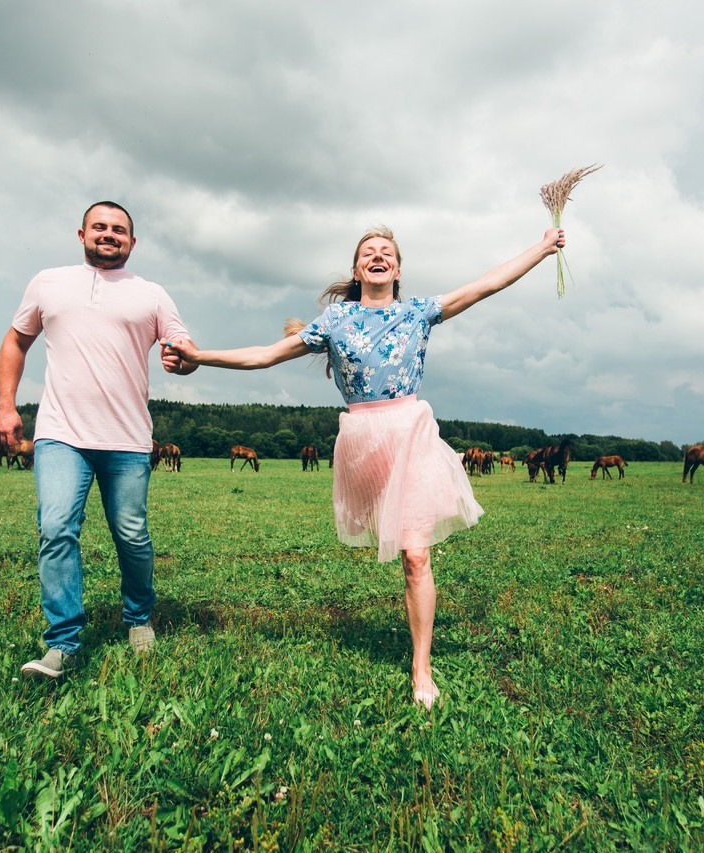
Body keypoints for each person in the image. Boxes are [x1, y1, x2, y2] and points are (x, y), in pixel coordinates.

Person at [163, 223, 565, 707]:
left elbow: (486, 284)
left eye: (386, 252)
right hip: (363, 440)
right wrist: (200, 357)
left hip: (411, 433)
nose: (377, 257)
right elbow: (266, 356)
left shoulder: (417, 312)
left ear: (397, 269)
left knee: (416, 555)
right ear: (358, 270)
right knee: (397, 549)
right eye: (368, 253)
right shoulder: (336, 320)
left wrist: (542, 249)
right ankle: (417, 655)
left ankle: (421, 669)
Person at [0, 201, 197, 679]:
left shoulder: (151, 294)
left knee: (132, 535)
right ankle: (62, 643)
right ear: (81, 233)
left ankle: (138, 617)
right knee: (56, 528)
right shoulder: (48, 283)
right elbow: (15, 341)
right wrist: (6, 405)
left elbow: (184, 350)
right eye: (100, 227)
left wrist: (181, 362)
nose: (109, 234)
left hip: (127, 437)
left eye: (119, 230)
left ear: (132, 241)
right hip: (61, 433)